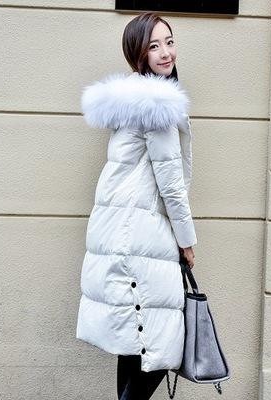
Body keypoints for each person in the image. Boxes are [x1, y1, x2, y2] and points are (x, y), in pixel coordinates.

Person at [76, 11, 197, 400]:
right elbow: (171, 186)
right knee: (160, 343)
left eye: (169, 42)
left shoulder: (129, 101)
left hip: (118, 232)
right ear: (137, 53)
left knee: (133, 340)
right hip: (141, 236)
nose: (166, 52)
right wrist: (187, 241)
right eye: (154, 46)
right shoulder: (155, 105)